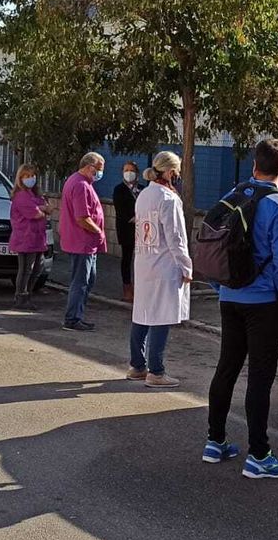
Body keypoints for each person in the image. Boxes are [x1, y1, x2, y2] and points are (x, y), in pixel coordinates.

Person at [207, 139, 278, 479]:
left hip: (229, 297)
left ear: (254, 165)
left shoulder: (233, 196)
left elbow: (213, 248)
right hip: (265, 304)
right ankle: (259, 455)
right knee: (260, 377)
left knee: (226, 368)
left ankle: (215, 441)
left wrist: (221, 287)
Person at [128, 151, 191, 388]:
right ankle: (156, 371)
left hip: (145, 262)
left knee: (142, 314)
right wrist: (185, 265)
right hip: (165, 264)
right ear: (170, 172)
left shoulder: (144, 194)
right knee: (161, 316)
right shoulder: (168, 199)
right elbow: (176, 237)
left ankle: (137, 365)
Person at [60, 152, 107, 331]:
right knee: (81, 282)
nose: (100, 174)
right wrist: (98, 230)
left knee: (87, 280)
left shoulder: (79, 182)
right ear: (89, 167)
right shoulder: (80, 185)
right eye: (99, 169)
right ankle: (72, 318)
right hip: (82, 242)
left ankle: (77, 315)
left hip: (84, 242)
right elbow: (82, 218)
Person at [8, 164, 54, 309]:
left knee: (37, 268)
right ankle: (21, 297)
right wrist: (42, 209)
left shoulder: (35, 194)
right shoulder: (21, 195)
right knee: (26, 269)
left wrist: (42, 208)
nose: (31, 179)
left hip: (38, 238)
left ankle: (27, 295)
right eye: (27, 176)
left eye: (33, 176)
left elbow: (49, 209)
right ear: (20, 178)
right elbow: (35, 214)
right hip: (25, 237)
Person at [113, 161, 145, 303]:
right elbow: (120, 209)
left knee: (141, 259)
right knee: (126, 258)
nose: (129, 173)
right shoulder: (119, 189)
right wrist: (133, 218)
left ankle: (140, 288)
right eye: (126, 170)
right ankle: (127, 288)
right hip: (126, 228)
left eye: (131, 170)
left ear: (137, 173)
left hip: (142, 229)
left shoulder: (142, 189)